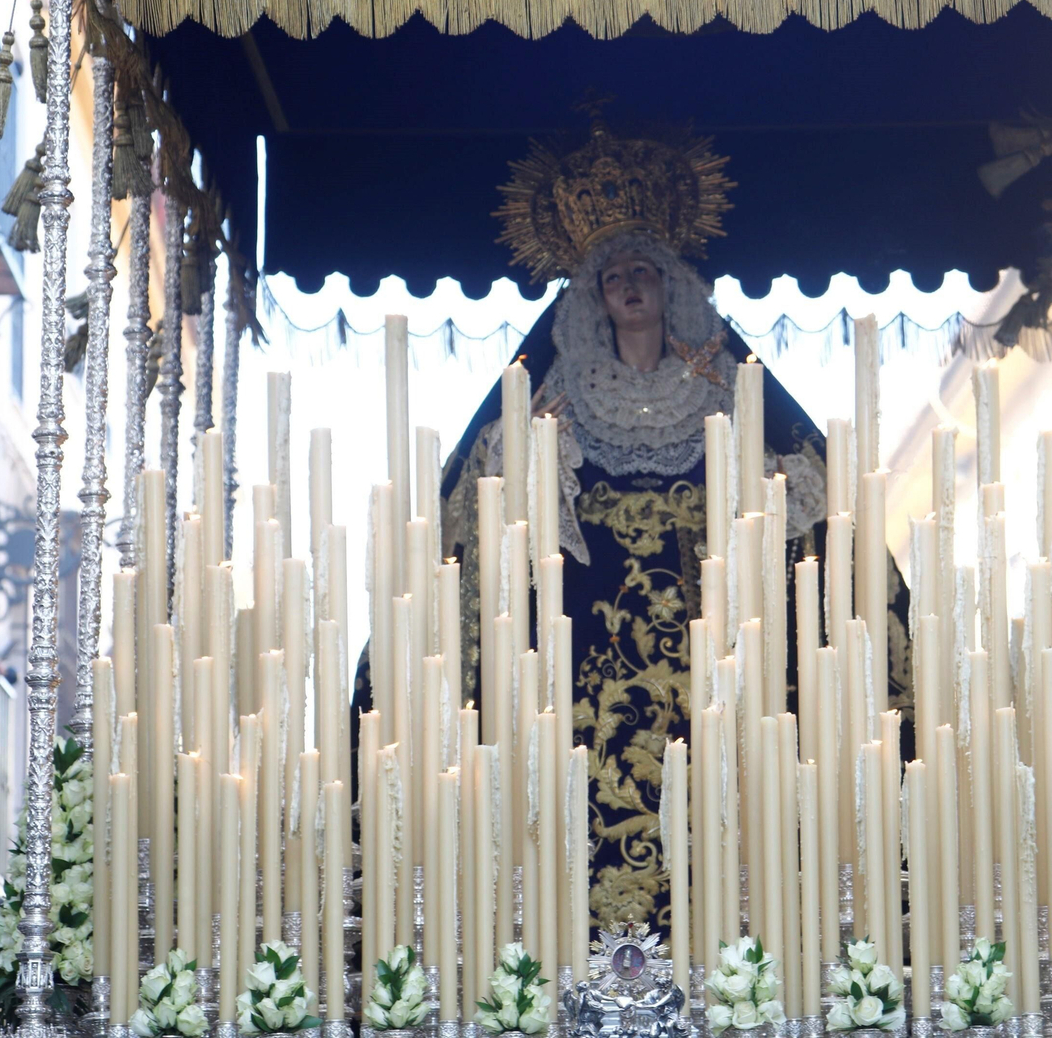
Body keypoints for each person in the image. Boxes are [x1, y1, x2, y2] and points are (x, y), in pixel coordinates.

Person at [352, 119, 911, 930]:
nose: (632, 286)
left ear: (672, 285)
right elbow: (471, 532)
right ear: (593, 297)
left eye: (645, 270)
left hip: (714, 669)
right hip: (575, 675)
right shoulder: (554, 408)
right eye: (614, 276)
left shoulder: (727, 397)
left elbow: (812, 520)